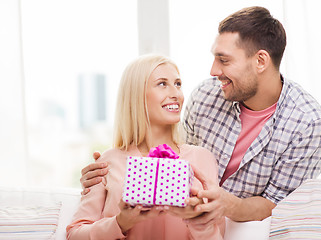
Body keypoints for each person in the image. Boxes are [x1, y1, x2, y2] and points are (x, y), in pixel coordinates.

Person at [80, 6, 321, 227]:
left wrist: (227, 206)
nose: (213, 71)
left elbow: (279, 204)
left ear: (261, 61)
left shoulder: (309, 124)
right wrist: (109, 178)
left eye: (224, 60)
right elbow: (176, 155)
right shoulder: (205, 95)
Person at [67, 54, 224, 240]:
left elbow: (218, 235)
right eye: (162, 84)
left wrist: (199, 220)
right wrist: (121, 222)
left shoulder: (202, 158)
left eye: (178, 84)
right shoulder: (108, 162)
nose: (176, 93)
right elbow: (75, 234)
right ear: (136, 94)